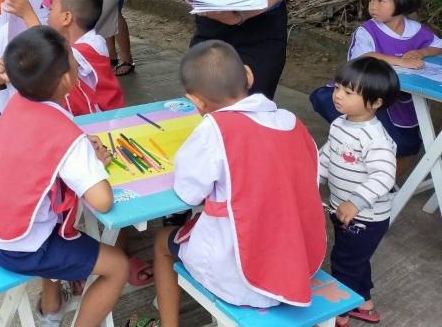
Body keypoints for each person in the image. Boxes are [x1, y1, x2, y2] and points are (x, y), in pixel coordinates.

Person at [135, 40, 325, 327]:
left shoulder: (215, 129)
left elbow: (188, 194)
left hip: (237, 274)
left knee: (162, 242)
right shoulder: (293, 122)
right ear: (248, 75)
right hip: (297, 265)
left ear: (195, 101)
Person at [0, 26, 130, 327]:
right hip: (19, 247)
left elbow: (40, 146)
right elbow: (103, 201)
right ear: (68, 78)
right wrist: (95, 163)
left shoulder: (16, 104)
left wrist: (79, 148)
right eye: (73, 57)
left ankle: (52, 307)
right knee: (118, 266)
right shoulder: (69, 137)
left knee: (48, 212)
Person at [310, 0, 442, 173]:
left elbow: (438, 46)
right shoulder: (367, 31)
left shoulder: (416, 29)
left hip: (400, 101)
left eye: (381, 1)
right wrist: (399, 61)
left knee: (407, 146)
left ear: (402, 2)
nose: (373, 6)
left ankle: (382, 187)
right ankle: (345, 177)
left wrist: (421, 52)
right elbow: (362, 60)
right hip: (365, 95)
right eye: (371, 1)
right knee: (361, 136)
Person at [318, 57, 399, 326]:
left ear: (376, 102)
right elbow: (328, 156)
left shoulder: (375, 139)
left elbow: (384, 176)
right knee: (353, 260)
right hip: (342, 210)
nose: (338, 95)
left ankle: (339, 314)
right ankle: (364, 303)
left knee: (344, 263)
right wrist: (311, 180)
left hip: (366, 217)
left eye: (349, 92)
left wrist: (355, 203)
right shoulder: (341, 124)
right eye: (338, 87)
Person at [45, 0, 125, 115]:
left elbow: (51, 58)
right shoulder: (66, 42)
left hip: (105, 121)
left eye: (51, 9)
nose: (47, 13)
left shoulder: (93, 45)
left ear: (66, 18)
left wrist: (27, 14)